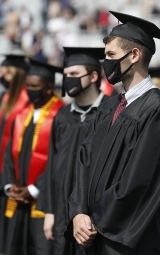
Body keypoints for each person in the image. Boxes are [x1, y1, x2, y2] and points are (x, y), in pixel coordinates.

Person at [66, 11, 160, 255]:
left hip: (126, 239)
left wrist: (96, 220)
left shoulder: (158, 111)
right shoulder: (109, 106)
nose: (106, 62)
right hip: (91, 232)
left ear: (135, 55)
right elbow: (84, 159)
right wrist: (78, 212)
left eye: (111, 55)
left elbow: (139, 181)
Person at [37, 47, 107, 255]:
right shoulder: (62, 116)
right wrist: (49, 211)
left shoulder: (111, 114)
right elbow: (51, 166)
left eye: (74, 75)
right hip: (61, 210)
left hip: (94, 215)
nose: (68, 80)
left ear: (94, 75)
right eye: (66, 75)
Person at [2, 59, 64, 255]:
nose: (29, 90)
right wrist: (10, 185)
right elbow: (8, 155)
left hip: (44, 202)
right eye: (27, 85)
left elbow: (60, 160)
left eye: (35, 86)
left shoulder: (61, 116)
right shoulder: (22, 115)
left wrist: (35, 189)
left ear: (48, 87)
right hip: (19, 198)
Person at [0, 54, 29, 253]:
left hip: (10, 168)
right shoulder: (6, 98)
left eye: (6, 73)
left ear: (17, 74)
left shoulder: (25, 99)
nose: (1, 77)